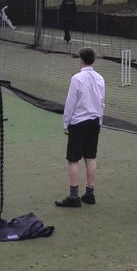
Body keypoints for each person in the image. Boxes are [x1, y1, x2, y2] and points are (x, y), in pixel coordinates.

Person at [55, 46, 106, 208]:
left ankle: (74, 196)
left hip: (79, 123)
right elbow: (101, 102)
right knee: (90, 157)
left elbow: (70, 103)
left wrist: (66, 123)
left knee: (73, 159)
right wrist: (100, 121)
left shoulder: (77, 79)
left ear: (81, 60)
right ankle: (90, 193)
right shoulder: (100, 78)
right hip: (94, 121)